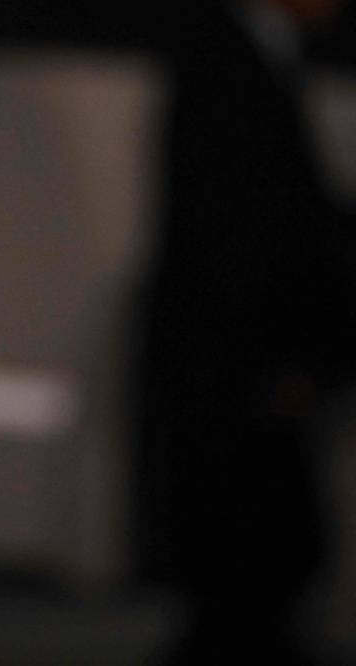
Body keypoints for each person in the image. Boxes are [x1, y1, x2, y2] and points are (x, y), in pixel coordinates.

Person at [132, 0, 355, 662]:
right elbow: (242, 233)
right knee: (250, 558)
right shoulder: (228, 61)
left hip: (243, 359)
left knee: (251, 562)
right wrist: (285, 356)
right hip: (244, 363)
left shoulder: (242, 55)